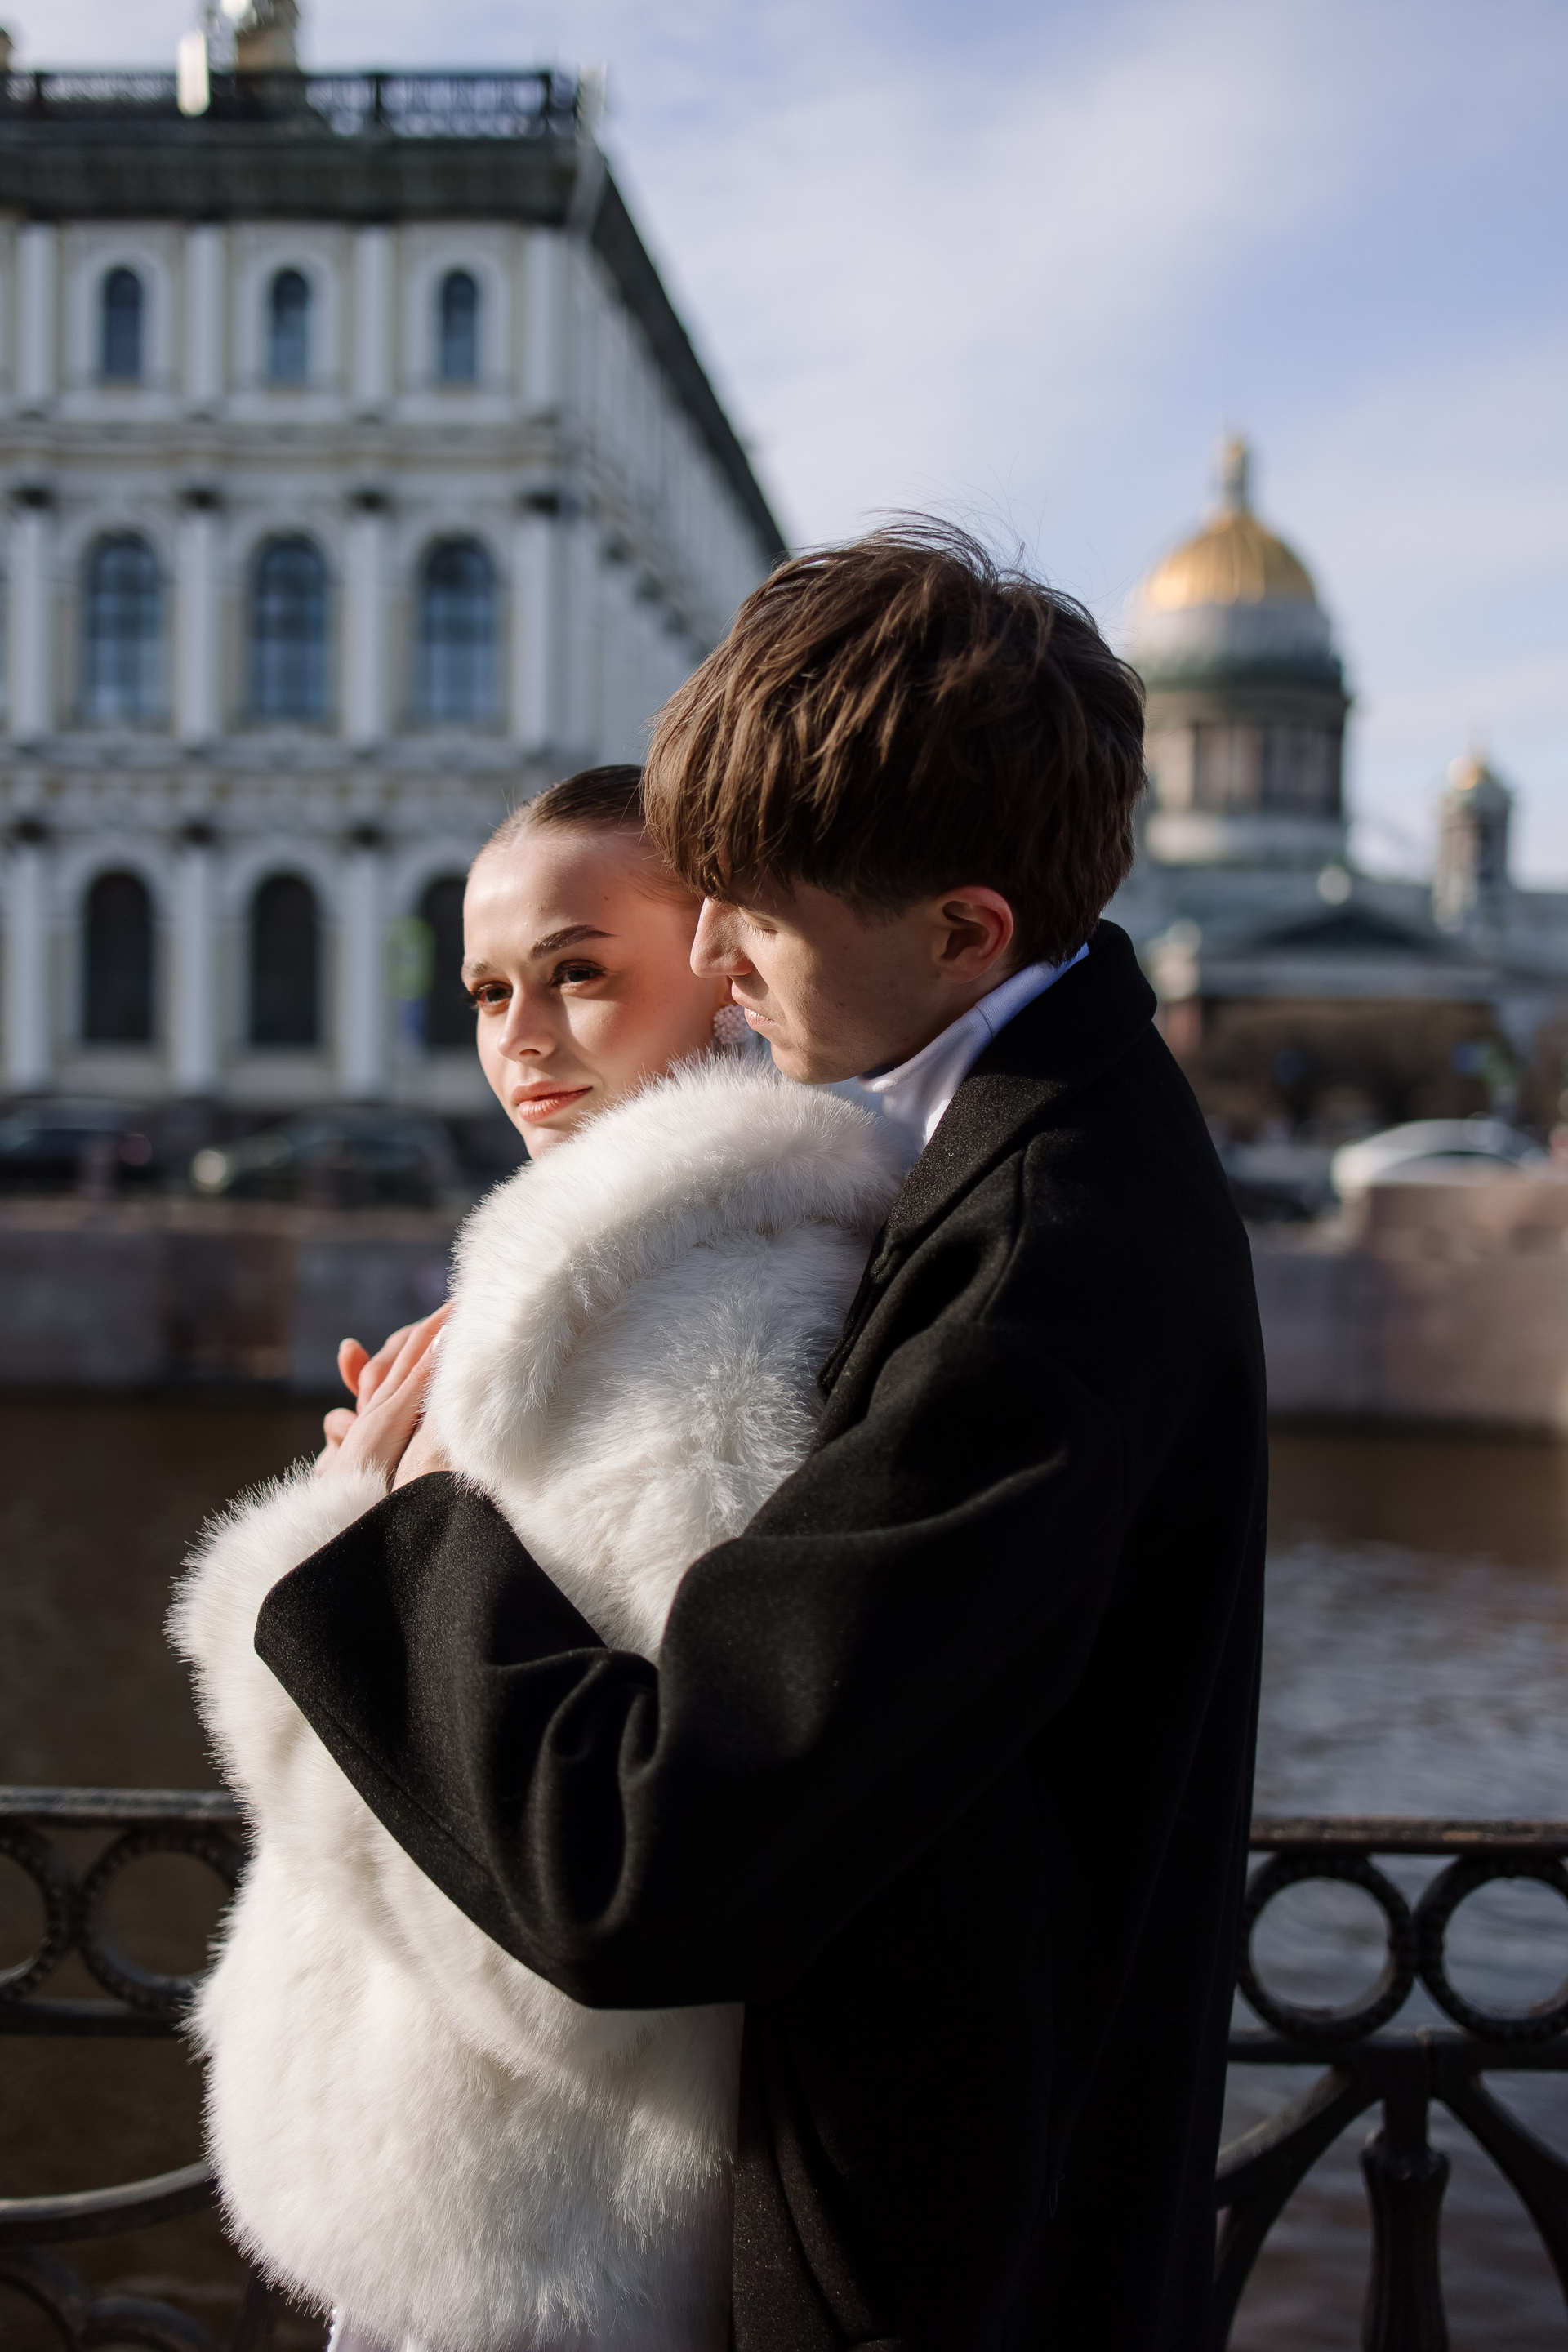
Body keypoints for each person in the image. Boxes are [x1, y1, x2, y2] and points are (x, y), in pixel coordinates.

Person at [255, 524, 1268, 2350]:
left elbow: (653, 1865)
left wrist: (401, 1519)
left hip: (922, 2277)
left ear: (965, 932)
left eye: (758, 911)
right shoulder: (1026, 1150)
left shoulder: (1045, 1260)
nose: (715, 957)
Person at [170, 766, 903, 2352]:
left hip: (531, 2242)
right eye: (490, 989)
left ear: (728, 963)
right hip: (490, 2208)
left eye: (579, 972)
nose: (520, 1037)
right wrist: (401, 1518)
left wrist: (348, 1554)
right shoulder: (603, 1292)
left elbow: (590, 1923)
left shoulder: (714, 1329)